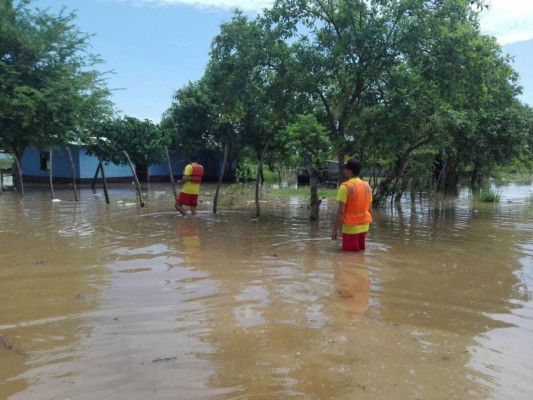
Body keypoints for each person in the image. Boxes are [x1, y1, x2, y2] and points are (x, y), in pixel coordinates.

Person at [331, 159, 372, 251]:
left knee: (348, 256)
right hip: (364, 225)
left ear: (349, 172)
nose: (344, 171)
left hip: (351, 227)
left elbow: (341, 212)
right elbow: (370, 210)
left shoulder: (344, 187)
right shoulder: (367, 186)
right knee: (360, 254)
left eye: (345, 169)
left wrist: (334, 230)